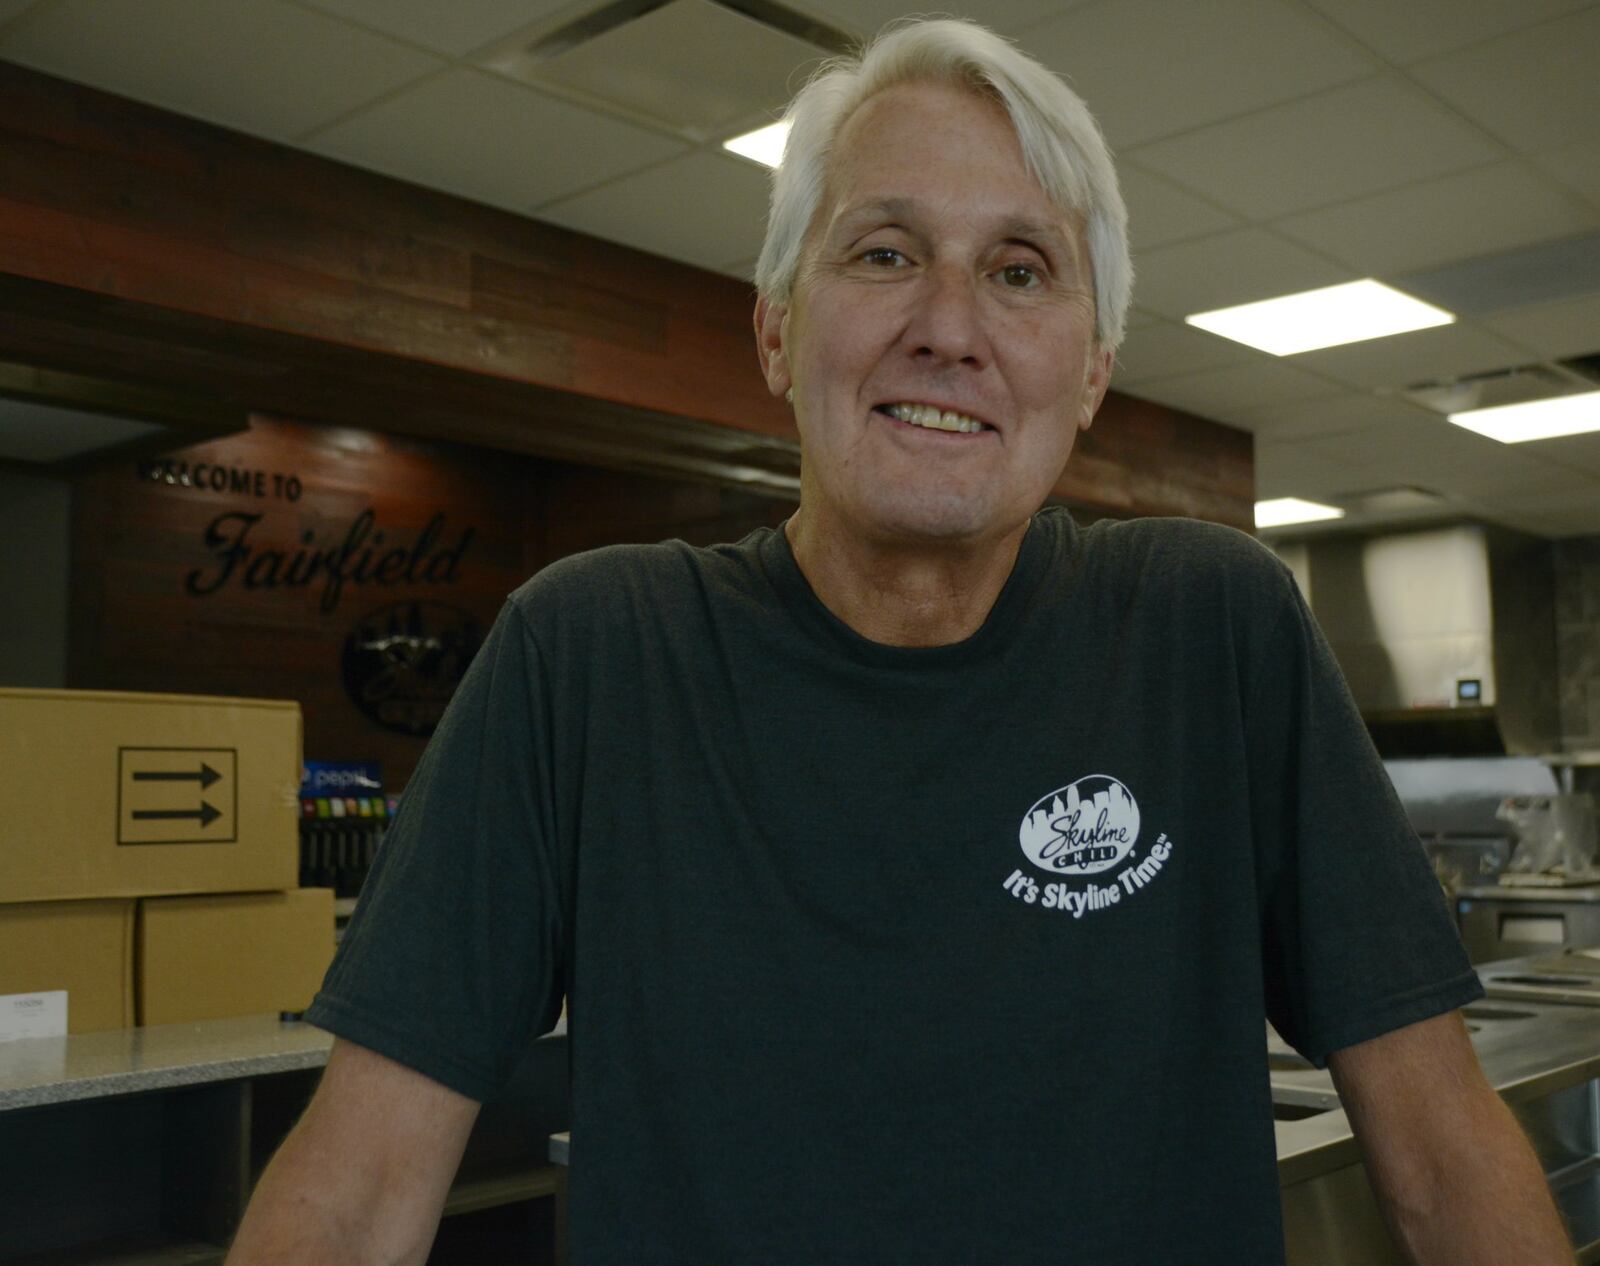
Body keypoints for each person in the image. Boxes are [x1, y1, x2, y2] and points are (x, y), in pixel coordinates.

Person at [226, 18, 1575, 1266]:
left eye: (1019, 269)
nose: (949, 327)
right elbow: (353, 1198)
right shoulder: (590, 655)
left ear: (1092, 369)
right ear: (776, 328)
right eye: (883, 252)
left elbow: (1446, 1158)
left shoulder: (1209, 629)